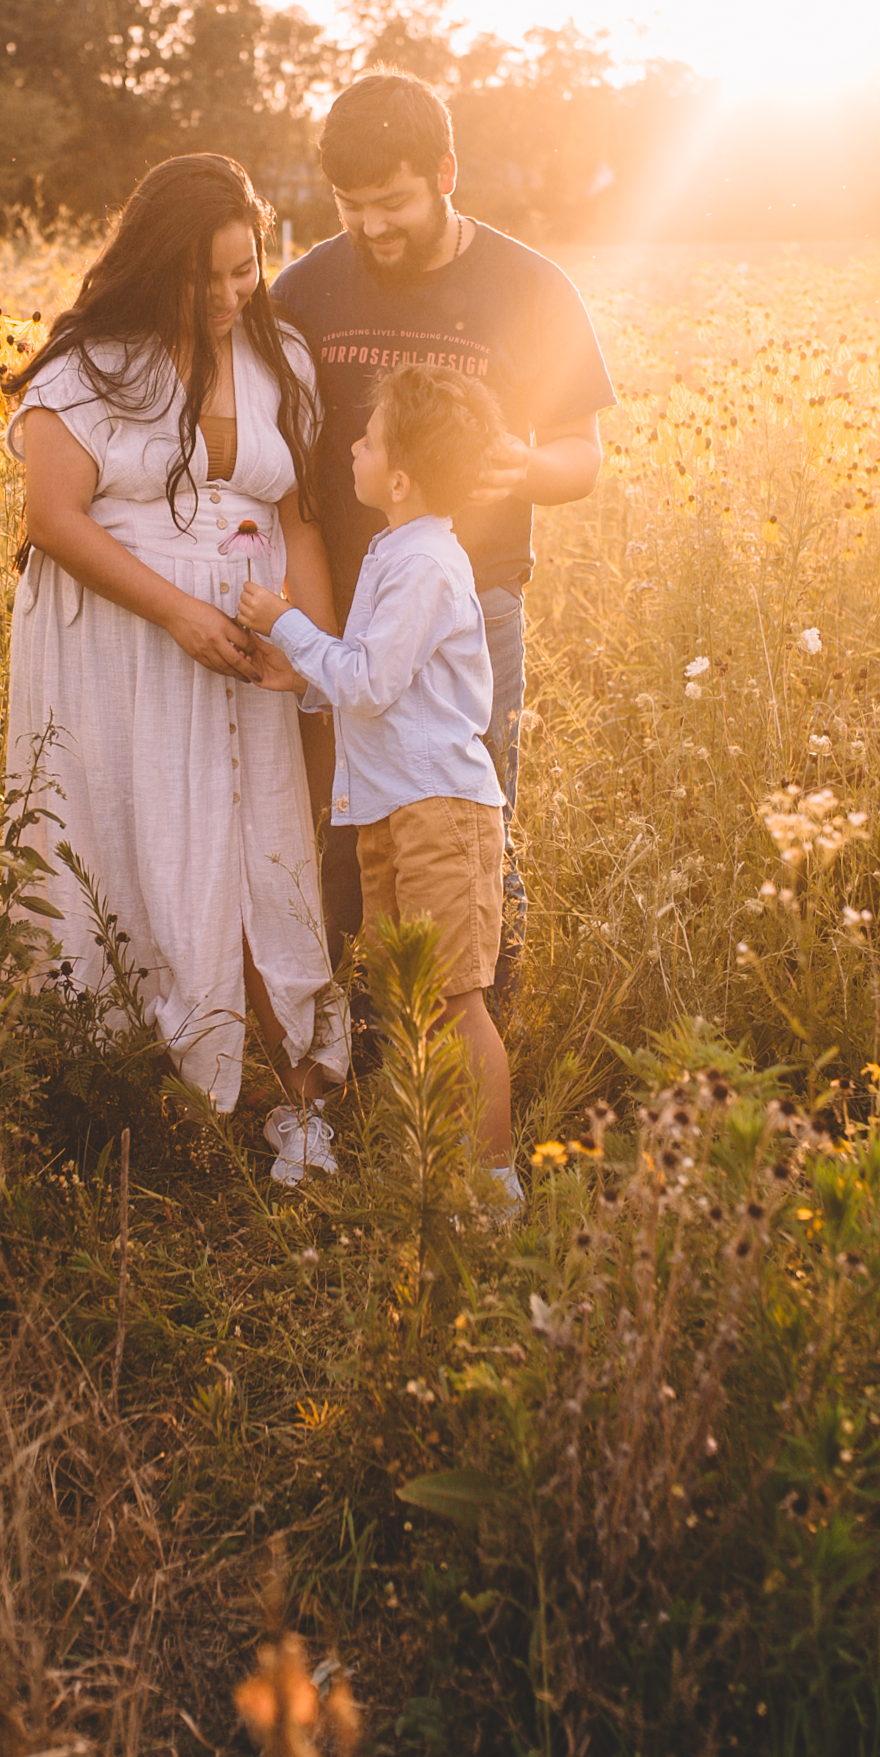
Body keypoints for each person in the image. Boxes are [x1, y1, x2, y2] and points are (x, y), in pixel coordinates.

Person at [3, 153, 346, 1180]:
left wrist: (309, 656)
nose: (231, 295)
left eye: (246, 268)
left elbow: (299, 516)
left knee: (260, 845)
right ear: (158, 268)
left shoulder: (282, 355)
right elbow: (53, 520)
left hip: (247, 639)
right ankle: (122, 1089)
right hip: (119, 639)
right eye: (205, 278)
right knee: (132, 832)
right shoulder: (91, 367)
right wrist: (181, 617)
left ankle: (293, 1097)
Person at [272, 67, 616, 1013]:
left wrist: (520, 465)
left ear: (446, 172)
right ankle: (359, 1046)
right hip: (333, 606)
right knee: (337, 832)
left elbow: (580, 458)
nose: (371, 226)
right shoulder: (304, 288)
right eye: (350, 206)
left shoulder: (529, 287)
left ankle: (472, 1036)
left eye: (392, 202)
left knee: (459, 829)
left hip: (474, 610)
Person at [236, 363, 514, 1171]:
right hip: (396, 810)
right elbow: (370, 682)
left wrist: (287, 626)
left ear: (397, 476)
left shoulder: (427, 563)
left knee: (457, 1000)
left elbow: (368, 679)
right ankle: (433, 1164)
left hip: (440, 813)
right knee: (412, 999)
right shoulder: (398, 549)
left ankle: (494, 1186)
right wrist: (304, 678)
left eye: (366, 438)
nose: (349, 448)